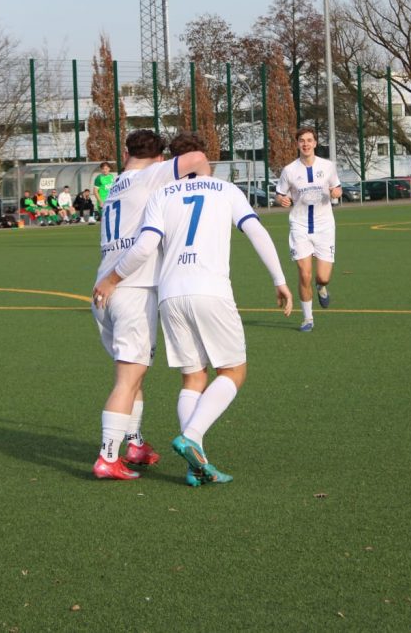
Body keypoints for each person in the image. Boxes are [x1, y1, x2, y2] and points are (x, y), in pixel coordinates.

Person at [94, 131, 293, 486]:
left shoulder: (135, 190)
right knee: (231, 371)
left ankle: (170, 455)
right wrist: (279, 279)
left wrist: (108, 279)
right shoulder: (210, 187)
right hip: (163, 288)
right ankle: (139, 449)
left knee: (188, 377)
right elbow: (255, 231)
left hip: (161, 293)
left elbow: (150, 238)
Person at [88, 130, 211, 480]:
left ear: (126, 153)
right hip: (132, 288)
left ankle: (135, 443)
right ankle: (107, 458)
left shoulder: (115, 184)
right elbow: (197, 159)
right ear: (159, 159)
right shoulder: (151, 175)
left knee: (132, 374)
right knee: (128, 379)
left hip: (103, 291)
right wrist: (206, 191)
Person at [275, 127, 342, 332]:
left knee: (322, 277)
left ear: (315, 143)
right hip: (300, 226)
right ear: (297, 144)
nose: (306, 144)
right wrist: (281, 200)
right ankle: (307, 318)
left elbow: (338, 188)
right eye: (302, 140)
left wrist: (336, 192)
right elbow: (279, 194)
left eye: (309, 140)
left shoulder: (328, 166)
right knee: (305, 275)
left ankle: (321, 287)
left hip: (324, 227)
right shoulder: (289, 170)